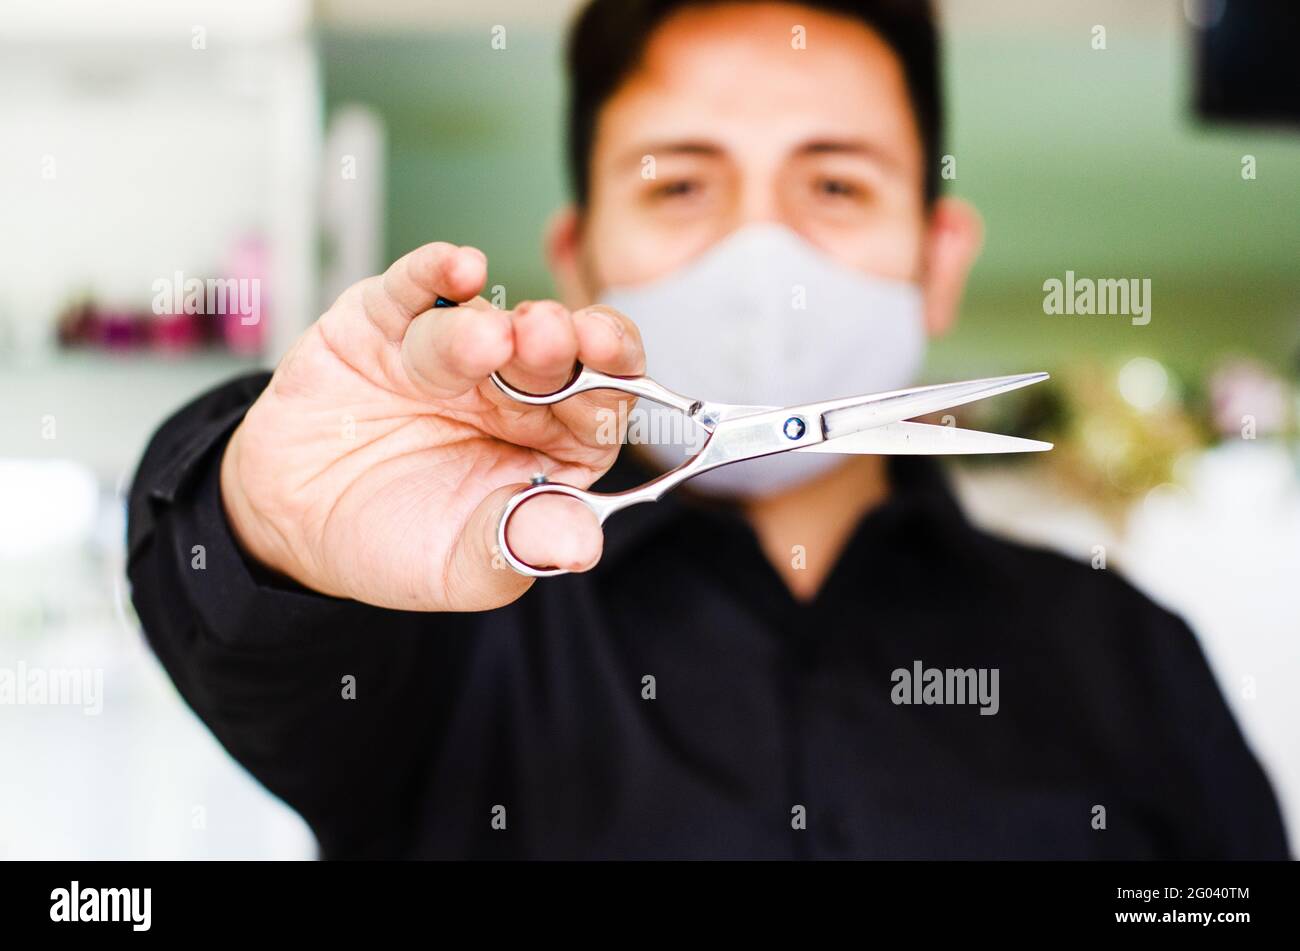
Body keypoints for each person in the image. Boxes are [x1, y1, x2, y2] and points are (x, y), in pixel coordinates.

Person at [127, 0, 1289, 859]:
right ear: (580, 256)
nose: (764, 262)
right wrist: (262, 518)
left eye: (834, 187)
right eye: (681, 187)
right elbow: (234, 615)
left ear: (938, 263)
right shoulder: (439, 632)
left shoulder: (1125, 658)